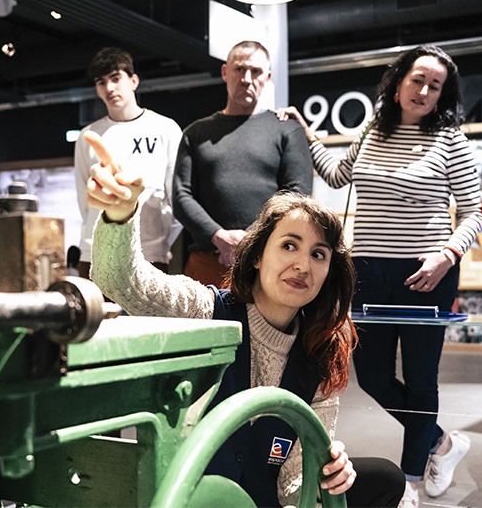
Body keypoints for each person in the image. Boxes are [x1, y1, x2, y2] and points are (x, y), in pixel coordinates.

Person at [84, 131, 405, 508]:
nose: (303, 265)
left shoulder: (319, 354)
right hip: (183, 500)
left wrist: (325, 478)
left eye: (319, 254)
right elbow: (121, 279)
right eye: (289, 245)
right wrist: (119, 216)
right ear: (256, 256)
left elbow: (291, 486)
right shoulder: (204, 310)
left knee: (385, 478)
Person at [277, 44, 482, 508]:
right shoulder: (373, 128)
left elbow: (473, 212)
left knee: (420, 379)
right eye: (418, 80)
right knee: (370, 374)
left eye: (436, 86)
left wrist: (447, 255)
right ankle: (441, 443)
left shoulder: (450, 140)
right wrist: (306, 133)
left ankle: (410, 478)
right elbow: (335, 175)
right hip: (367, 270)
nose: (425, 91)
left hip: (427, 273)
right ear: (397, 84)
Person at [173, 40, 313, 287]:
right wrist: (219, 237)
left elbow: (297, 194)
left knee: (264, 327)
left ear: (267, 77)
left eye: (256, 71)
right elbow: (181, 197)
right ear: (225, 72)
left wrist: (249, 238)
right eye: (239, 69)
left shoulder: (287, 129)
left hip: (267, 257)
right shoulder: (195, 133)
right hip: (207, 260)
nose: (247, 78)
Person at [74, 47, 182, 279]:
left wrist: (159, 243)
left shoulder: (165, 128)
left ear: (133, 81)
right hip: (94, 254)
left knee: (145, 316)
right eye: (101, 82)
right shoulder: (89, 135)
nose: (109, 88)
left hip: (149, 254)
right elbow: (84, 201)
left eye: (116, 78)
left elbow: (176, 199)